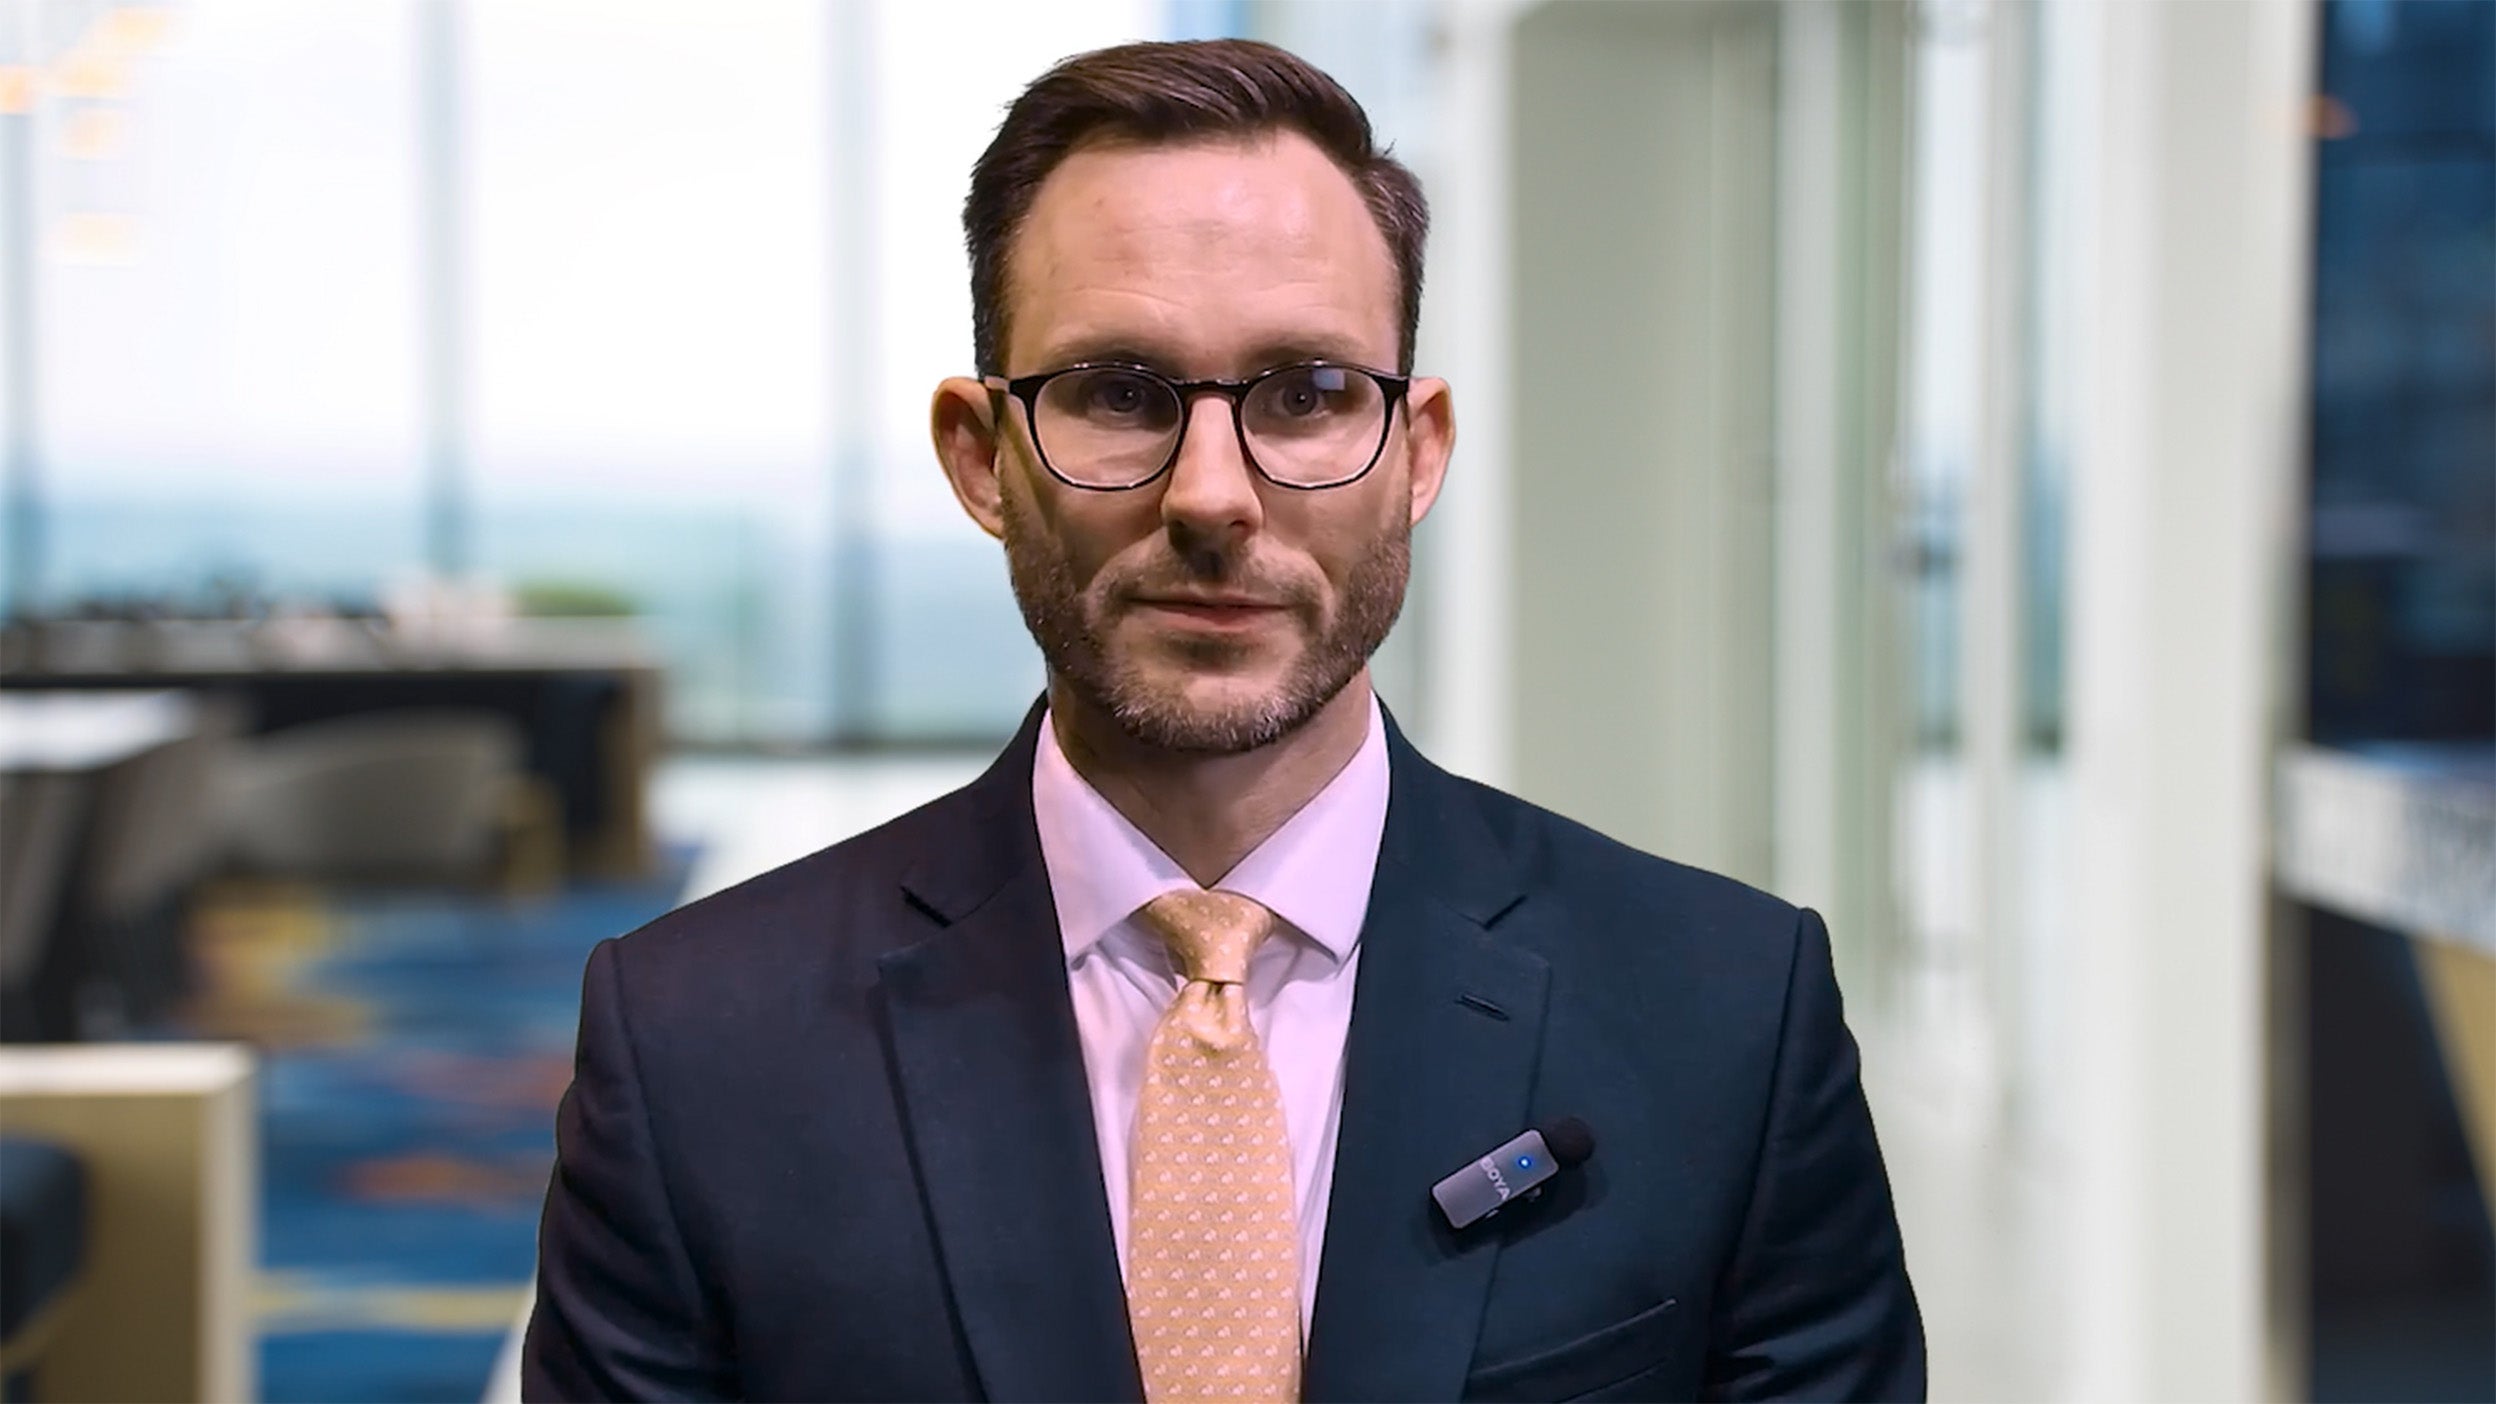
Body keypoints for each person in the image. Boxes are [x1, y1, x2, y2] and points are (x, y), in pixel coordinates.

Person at [523, 36, 1922, 1403]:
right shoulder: (700, 1047)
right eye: (1118, 394)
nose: (1211, 495)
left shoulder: (1724, 1016)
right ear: (980, 456)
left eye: (1308, 395)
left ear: (1416, 452)